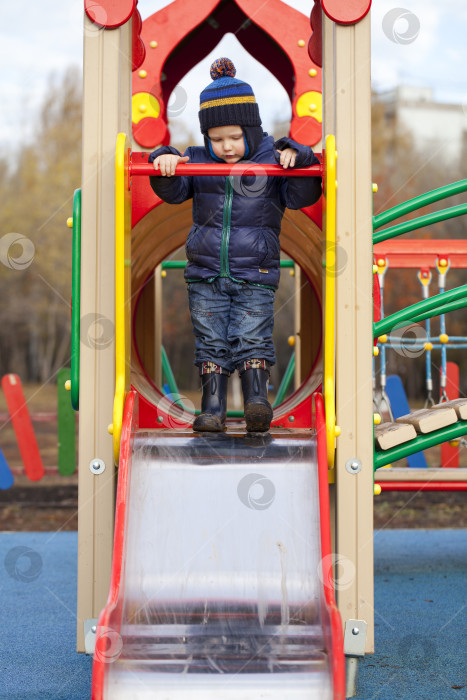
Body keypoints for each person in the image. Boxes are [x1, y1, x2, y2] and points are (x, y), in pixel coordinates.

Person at [149, 57, 321, 433]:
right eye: (215, 139)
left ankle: (257, 401)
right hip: (205, 273)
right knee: (211, 341)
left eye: (234, 137)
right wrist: (161, 160)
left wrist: (301, 157)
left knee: (250, 334)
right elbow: (175, 191)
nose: (225, 147)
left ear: (251, 128)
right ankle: (212, 409)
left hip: (255, 271)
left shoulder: (273, 159)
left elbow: (301, 195)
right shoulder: (195, 161)